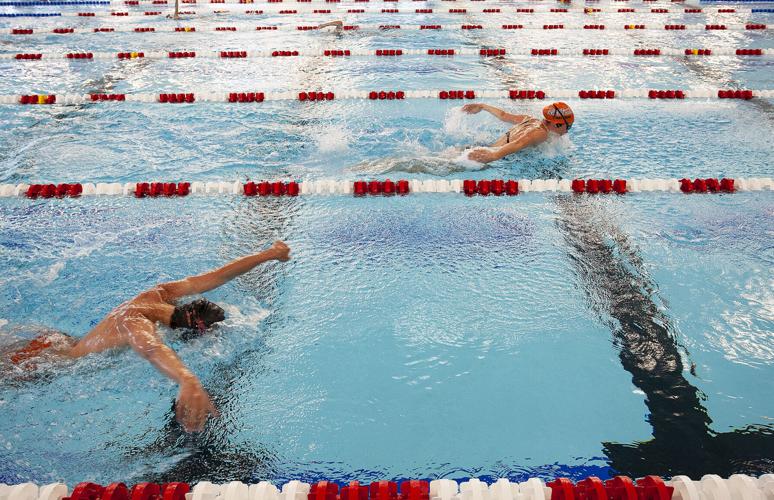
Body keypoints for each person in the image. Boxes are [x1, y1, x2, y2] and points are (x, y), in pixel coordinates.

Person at [3, 241, 291, 432]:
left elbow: (216, 277)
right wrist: (186, 379)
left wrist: (268, 255)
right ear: (195, 327)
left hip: (59, 341)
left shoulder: (160, 295)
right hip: (48, 361)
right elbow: (153, 350)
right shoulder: (137, 322)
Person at [462, 102, 574, 164]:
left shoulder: (530, 119)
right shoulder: (541, 133)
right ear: (557, 124)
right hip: (488, 155)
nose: (568, 131)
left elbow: (503, 115)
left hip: (485, 148)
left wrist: (483, 106)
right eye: (568, 126)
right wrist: (493, 156)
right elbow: (519, 143)